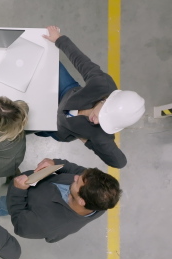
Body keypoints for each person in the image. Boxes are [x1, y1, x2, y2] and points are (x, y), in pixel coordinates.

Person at [36, 26, 145, 169]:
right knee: (46, 60)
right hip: (67, 93)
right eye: (103, 114)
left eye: (105, 122)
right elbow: (81, 61)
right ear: (106, 100)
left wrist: (87, 141)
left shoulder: (101, 136)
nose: (97, 121)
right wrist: (59, 39)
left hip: (59, 127)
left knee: (29, 124)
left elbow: (120, 162)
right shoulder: (102, 84)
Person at [0, 158, 122, 243]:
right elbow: (76, 170)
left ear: (82, 201)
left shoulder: (50, 225)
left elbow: (20, 224)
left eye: (77, 182)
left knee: (4, 204)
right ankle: (17, 179)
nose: (75, 177)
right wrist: (56, 164)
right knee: (18, 180)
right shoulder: (97, 197)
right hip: (34, 184)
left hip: (21, 200)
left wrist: (18, 191)